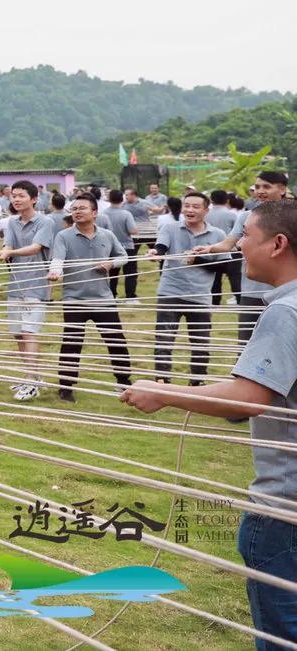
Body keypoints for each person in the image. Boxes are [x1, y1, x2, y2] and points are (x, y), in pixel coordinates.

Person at [121, 200, 297, 649]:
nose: (237, 248)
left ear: (278, 244)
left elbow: (249, 398)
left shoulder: (286, 312)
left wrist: (164, 393)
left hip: (285, 508)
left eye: (246, 238)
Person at [49, 194, 134, 402]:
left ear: (94, 213)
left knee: (116, 341)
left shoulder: (107, 235)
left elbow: (124, 257)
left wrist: (110, 264)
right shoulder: (63, 236)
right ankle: (66, 386)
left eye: (82, 208)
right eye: (74, 208)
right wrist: (55, 272)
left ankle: (123, 382)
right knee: (71, 342)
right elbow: (57, 258)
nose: (77, 212)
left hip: (103, 299)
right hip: (74, 300)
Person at [196, 170, 291, 342]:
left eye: (266, 187)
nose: (260, 191)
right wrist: (209, 249)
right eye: (257, 186)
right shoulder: (247, 217)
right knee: (247, 345)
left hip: (288, 292)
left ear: (282, 189)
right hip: (252, 292)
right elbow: (228, 244)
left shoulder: (293, 217)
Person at [148, 191, 228, 386]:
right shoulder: (170, 227)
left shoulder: (218, 235)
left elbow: (224, 266)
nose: (189, 210)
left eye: (195, 207)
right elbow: (161, 247)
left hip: (200, 296)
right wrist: (155, 252)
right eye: (187, 206)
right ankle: (162, 382)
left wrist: (198, 260)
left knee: (200, 343)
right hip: (170, 292)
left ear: (206, 210)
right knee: (164, 340)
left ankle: (197, 382)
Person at [0, 180, 58, 401]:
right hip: (16, 284)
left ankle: (31, 381)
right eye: (13, 195)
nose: (16, 199)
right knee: (18, 333)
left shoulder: (46, 221)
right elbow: (9, 245)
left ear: (34, 199)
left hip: (37, 285)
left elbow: (36, 247)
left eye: (21, 195)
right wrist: (5, 250)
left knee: (30, 332)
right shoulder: (12, 222)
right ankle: (32, 376)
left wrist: (11, 253)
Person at [101, 189, 139, 298]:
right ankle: (130, 296)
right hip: (127, 247)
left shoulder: (103, 214)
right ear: (122, 199)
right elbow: (133, 230)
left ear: (109, 199)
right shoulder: (126, 214)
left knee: (112, 274)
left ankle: (112, 295)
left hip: (110, 248)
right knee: (130, 273)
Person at [208, 189, 244, 306]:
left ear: (211, 200)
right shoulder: (231, 214)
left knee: (215, 279)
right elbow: (240, 232)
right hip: (231, 250)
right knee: (235, 278)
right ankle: (240, 301)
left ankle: (215, 302)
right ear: (227, 200)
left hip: (212, 250)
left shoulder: (206, 214)